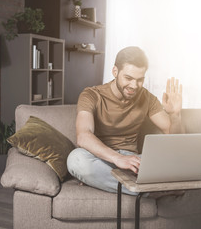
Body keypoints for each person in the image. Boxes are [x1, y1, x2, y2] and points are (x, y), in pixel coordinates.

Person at [67, 46, 184, 195]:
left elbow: (175, 139)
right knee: (76, 160)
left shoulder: (147, 97)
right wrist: (118, 158)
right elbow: (83, 136)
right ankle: (151, 191)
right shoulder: (91, 95)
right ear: (115, 71)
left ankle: (105, 181)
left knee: (178, 160)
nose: (134, 86)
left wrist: (175, 115)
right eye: (128, 78)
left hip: (134, 161)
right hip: (102, 158)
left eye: (140, 80)